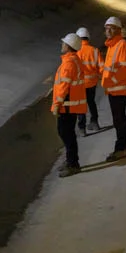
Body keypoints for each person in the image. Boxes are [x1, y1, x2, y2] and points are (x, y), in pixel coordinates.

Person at [53, 33, 88, 177]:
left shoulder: (69, 63)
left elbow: (63, 86)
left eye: (64, 43)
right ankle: (70, 160)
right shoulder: (75, 60)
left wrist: (57, 104)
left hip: (66, 105)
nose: (62, 45)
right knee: (68, 134)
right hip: (71, 105)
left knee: (65, 133)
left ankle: (73, 164)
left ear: (68, 47)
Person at [102, 16, 126, 161]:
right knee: (119, 119)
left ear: (118, 30)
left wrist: (111, 81)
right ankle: (125, 145)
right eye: (106, 28)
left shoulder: (122, 44)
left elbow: (123, 69)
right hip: (114, 89)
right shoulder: (112, 45)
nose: (108, 30)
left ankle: (120, 149)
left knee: (119, 120)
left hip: (119, 89)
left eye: (111, 28)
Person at [74, 27, 102, 136]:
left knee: (81, 105)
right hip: (92, 83)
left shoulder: (75, 52)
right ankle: (94, 123)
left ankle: (82, 129)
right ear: (88, 38)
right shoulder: (94, 51)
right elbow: (101, 67)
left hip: (80, 84)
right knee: (91, 102)